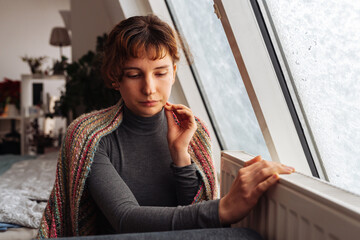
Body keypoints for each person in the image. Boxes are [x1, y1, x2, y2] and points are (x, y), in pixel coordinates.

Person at [37, 14, 294, 239]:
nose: (149, 88)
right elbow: (125, 219)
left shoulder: (195, 133)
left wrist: (181, 156)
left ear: (173, 71)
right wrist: (224, 208)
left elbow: (195, 226)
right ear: (116, 77)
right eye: (134, 74)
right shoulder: (88, 136)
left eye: (160, 73)